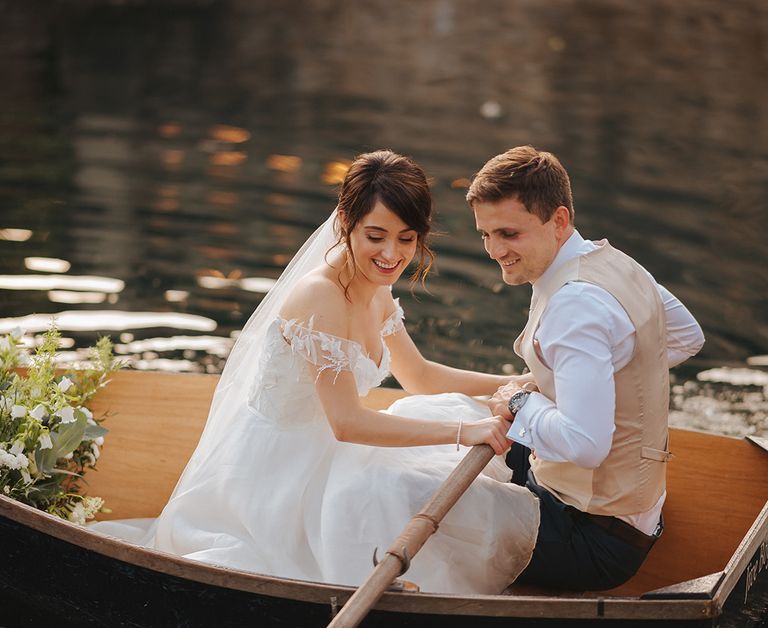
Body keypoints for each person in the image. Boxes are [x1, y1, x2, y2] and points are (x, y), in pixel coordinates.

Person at [92, 150, 540, 595]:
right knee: (396, 483)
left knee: (442, 414)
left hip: (332, 447)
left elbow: (419, 376)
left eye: (406, 239)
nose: (392, 254)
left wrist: (519, 382)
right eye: (376, 236)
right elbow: (346, 424)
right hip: (281, 472)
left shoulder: (374, 285)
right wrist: (468, 431)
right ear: (346, 221)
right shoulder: (320, 297)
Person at [467, 145, 705, 591]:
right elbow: (686, 336)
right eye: (485, 234)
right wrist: (598, 384)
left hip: (592, 536)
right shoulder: (613, 263)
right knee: (454, 434)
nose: (494, 250)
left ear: (558, 221)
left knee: (425, 512)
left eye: (509, 234)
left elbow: (585, 445)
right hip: (627, 512)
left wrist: (520, 399)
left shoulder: (575, 305)